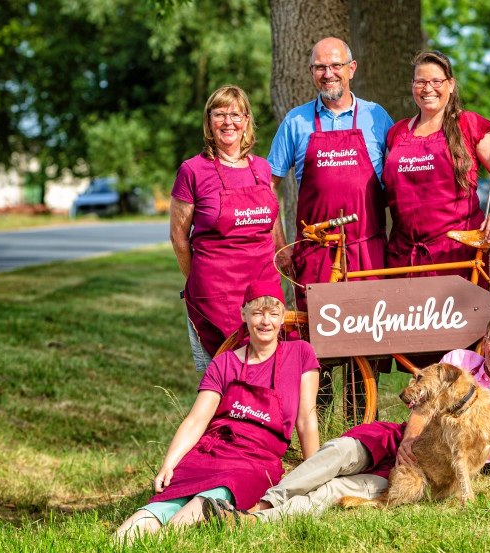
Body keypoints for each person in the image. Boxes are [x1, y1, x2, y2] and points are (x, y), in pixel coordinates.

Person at [201, 311, 490, 526]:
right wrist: (408, 440)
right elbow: (422, 406)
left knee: (337, 489)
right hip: (403, 438)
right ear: (483, 342)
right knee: (339, 452)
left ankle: (253, 520)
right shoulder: (458, 361)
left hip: (430, 470)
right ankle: (266, 501)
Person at [113, 282, 319, 543]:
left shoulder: (300, 353)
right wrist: (169, 464)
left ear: (282, 316)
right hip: (211, 451)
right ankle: (117, 542)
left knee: (205, 501)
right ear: (244, 314)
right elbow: (196, 419)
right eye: (257, 313)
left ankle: (165, 543)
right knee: (159, 507)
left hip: (255, 460)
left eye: (273, 313)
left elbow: (306, 419)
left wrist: (314, 476)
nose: (265, 321)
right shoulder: (225, 362)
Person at [267, 37, 393, 309]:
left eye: (336, 65)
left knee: (375, 338)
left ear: (352, 68)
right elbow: (267, 185)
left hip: (368, 251)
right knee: (317, 340)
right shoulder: (295, 121)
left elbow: (401, 179)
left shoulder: (376, 116)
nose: (328, 74)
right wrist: (280, 245)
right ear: (311, 72)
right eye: (320, 67)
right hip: (315, 254)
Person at [170, 85, 288, 371]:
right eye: (219, 114)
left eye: (235, 114)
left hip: (264, 291)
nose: (228, 122)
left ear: (246, 120)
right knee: (222, 379)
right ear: (208, 121)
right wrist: (197, 279)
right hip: (216, 295)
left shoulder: (261, 168)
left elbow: (272, 222)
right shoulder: (193, 170)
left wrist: (284, 257)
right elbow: (178, 236)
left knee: (270, 371)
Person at [383, 51, 490, 284]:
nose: (428, 88)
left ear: (450, 84)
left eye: (436, 81)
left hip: (459, 257)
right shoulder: (397, 133)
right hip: (404, 259)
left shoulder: (469, 124)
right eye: (421, 82)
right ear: (412, 86)